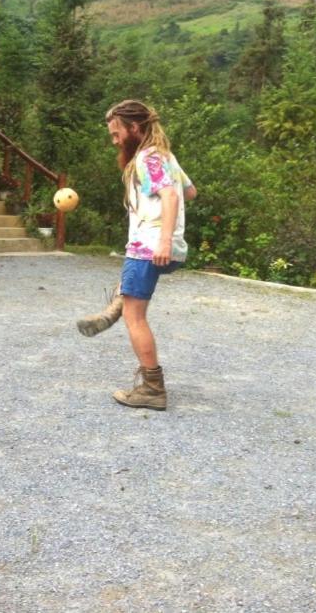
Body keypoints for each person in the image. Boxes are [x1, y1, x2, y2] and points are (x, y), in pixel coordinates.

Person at [78, 99, 196, 411]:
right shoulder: (164, 156)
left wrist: (163, 239)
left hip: (149, 247)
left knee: (135, 316)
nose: (114, 140)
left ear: (135, 128)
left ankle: (152, 389)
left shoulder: (147, 158)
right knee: (130, 297)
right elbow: (189, 191)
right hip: (159, 246)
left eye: (117, 134)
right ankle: (115, 303)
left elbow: (171, 195)